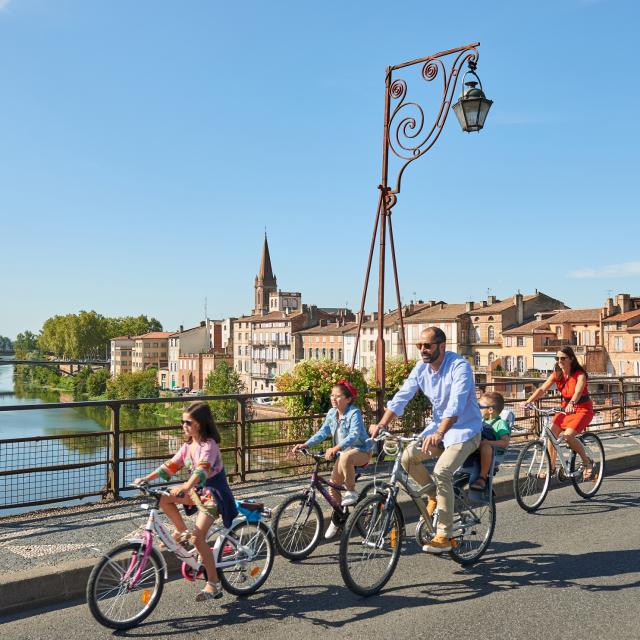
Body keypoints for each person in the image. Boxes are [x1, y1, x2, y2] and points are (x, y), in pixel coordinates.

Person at [370, 327, 482, 554]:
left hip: (465, 431)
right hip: (437, 429)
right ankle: (434, 496)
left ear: (442, 346)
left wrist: (440, 433)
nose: (422, 350)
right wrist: (382, 425)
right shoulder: (421, 368)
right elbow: (403, 395)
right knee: (408, 457)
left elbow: (456, 405)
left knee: (442, 471)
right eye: (419, 346)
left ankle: (444, 534)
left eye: (427, 345)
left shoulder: (459, 367)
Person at [134, 401, 237, 602]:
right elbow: (171, 466)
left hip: (213, 494)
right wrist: (147, 478)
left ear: (199, 423)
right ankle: (181, 531)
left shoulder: (209, 445)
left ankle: (214, 584)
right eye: (182, 422)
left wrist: (187, 486)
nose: (184, 426)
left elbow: (202, 469)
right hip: (197, 491)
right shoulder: (189, 445)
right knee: (163, 498)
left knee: (198, 539)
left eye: (188, 422)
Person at [292, 380, 372, 539]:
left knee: (346, 456)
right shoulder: (331, 413)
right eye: (332, 395)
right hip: (343, 454)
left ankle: (351, 491)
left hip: (361, 451)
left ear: (348, 399)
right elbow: (323, 432)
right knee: (333, 487)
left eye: (338, 396)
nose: (333, 399)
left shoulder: (354, 413)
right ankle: (338, 519)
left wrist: (336, 448)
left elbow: (354, 434)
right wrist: (305, 444)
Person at [525, 346, 595, 479]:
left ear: (571, 359)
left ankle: (587, 462)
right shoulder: (557, 374)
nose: (559, 361)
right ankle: (551, 467)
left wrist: (572, 403)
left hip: (582, 409)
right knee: (551, 434)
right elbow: (542, 389)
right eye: (557, 358)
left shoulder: (580, 375)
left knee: (568, 436)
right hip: (565, 409)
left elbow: (578, 392)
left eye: (563, 358)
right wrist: (528, 401)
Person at [469, 391, 511, 491]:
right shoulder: (481, 421)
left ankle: (482, 477)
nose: (477, 408)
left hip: (493, 452)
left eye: (480, 406)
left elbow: (505, 442)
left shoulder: (500, 423)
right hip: (477, 447)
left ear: (490, 410)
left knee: (486, 447)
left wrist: (488, 443)